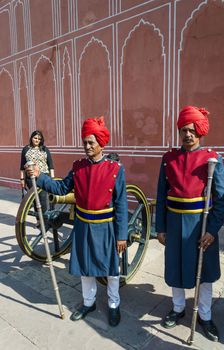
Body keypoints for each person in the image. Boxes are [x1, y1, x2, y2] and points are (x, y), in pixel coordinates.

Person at [25, 117, 128, 326]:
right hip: (82, 225)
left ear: (101, 143)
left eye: (91, 142)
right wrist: (40, 175)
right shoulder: (78, 167)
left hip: (106, 226)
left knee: (111, 269)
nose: (87, 146)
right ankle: (88, 303)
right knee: (85, 268)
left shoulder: (115, 169)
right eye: (85, 142)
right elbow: (62, 188)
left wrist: (122, 235)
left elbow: (122, 204)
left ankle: (114, 305)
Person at [155, 106, 224, 342]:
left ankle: (205, 315)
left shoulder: (212, 158)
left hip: (200, 225)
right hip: (175, 224)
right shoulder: (169, 159)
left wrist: (213, 230)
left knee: (203, 272)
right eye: (183, 129)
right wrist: (161, 227)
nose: (187, 134)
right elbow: (162, 194)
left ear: (200, 131)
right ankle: (177, 308)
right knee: (176, 268)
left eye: (191, 129)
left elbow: (220, 198)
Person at [20, 130, 54, 224]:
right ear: (31, 138)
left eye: (39, 139)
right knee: (35, 199)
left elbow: (50, 165)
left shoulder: (44, 149)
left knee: (43, 199)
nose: (37, 140)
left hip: (43, 176)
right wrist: (22, 179)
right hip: (30, 178)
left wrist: (53, 179)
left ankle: (45, 220)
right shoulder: (26, 149)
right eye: (35, 138)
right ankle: (39, 220)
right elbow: (22, 166)